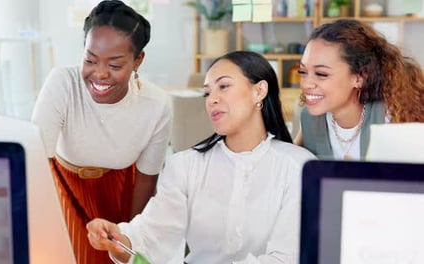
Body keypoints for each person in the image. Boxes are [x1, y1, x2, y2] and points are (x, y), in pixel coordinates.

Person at [86, 51, 316, 263]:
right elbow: (152, 235)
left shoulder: (299, 167)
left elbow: (289, 257)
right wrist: (116, 239)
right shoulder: (186, 165)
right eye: (207, 93)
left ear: (259, 90)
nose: (212, 99)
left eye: (224, 86)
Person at [30, 1, 172, 263]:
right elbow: (36, 160)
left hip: (123, 194)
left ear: (138, 60)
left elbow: (146, 179)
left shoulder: (157, 104)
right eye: (90, 60)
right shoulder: (63, 83)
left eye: (116, 65)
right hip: (63, 187)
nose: (100, 74)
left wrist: (130, 236)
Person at [295, 19, 424, 160]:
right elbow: (289, 166)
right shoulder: (309, 119)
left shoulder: (390, 116)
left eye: (321, 74)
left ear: (359, 78)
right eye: (303, 72)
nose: (306, 84)